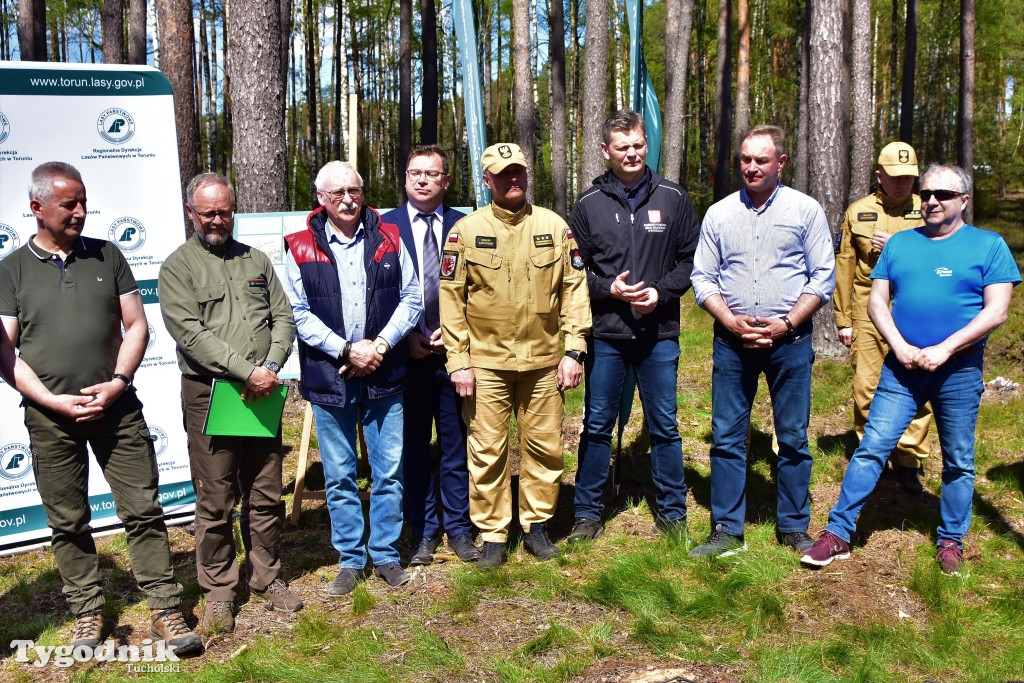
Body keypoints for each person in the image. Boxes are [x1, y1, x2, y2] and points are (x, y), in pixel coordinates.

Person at [0, 162, 201, 654]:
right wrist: (49, 399)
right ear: (36, 208)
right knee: (68, 521)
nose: (81, 212)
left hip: (117, 408)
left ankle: (164, 609)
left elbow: (137, 326)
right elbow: (5, 351)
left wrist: (116, 383)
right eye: (69, 204)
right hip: (50, 418)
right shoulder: (10, 269)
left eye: (84, 202)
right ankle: (88, 614)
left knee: (144, 511)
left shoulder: (108, 255)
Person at [802, 164, 1019, 574]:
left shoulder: (989, 246)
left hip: (958, 371)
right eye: (927, 193)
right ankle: (838, 532)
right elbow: (877, 302)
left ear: (964, 202)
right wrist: (900, 347)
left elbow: (997, 311)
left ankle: (951, 540)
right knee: (871, 448)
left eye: (944, 194)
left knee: (958, 459)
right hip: (900, 369)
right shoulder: (901, 244)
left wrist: (945, 349)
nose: (932, 200)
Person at [159, 173, 301, 633]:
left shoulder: (256, 260)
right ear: (191, 214)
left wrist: (272, 366)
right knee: (216, 497)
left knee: (264, 492)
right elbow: (191, 335)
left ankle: (267, 577)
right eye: (208, 213)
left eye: (224, 210)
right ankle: (220, 590)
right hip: (212, 393)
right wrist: (247, 370)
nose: (218, 220)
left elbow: (282, 316)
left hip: (263, 390)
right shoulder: (177, 267)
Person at [439, 143, 591, 569]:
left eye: (519, 171)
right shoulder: (465, 232)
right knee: (487, 449)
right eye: (503, 174)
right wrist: (459, 361)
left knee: (545, 447)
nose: (513, 179)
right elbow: (451, 299)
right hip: (486, 363)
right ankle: (492, 533)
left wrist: (574, 350)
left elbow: (574, 291)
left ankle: (537, 525)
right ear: (486, 180)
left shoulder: (554, 227)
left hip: (543, 361)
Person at [690, 125, 836, 558]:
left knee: (792, 437)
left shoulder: (805, 211)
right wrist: (731, 321)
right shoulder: (718, 213)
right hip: (732, 343)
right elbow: (703, 277)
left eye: (761, 160)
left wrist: (787, 323)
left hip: (788, 341)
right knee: (727, 436)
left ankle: (793, 526)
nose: (751, 168)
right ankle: (726, 529)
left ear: (781, 163)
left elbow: (822, 276)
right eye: (745, 160)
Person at [283, 161, 422, 595]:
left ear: (364, 192)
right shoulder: (299, 245)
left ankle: (385, 554)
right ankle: (350, 558)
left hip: (385, 372)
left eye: (354, 190)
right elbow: (297, 312)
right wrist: (346, 349)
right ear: (321, 199)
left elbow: (412, 297)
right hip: (332, 375)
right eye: (337, 192)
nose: (347, 199)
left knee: (389, 470)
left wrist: (378, 347)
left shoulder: (390, 237)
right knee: (340, 475)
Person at [567, 109, 699, 542]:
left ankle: (672, 512)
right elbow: (573, 273)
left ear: (648, 145)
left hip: (658, 333)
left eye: (638, 145)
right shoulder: (587, 205)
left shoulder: (673, 198)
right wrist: (609, 290)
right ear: (606, 151)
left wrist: (660, 293)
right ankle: (587, 511)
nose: (632, 153)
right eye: (622, 147)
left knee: (664, 423)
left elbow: (691, 261)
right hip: (607, 334)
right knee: (598, 422)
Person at [382, 146, 481, 565]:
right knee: (414, 447)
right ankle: (423, 529)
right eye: (415, 172)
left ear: (445, 180)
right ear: (405, 178)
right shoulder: (383, 226)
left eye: (432, 174)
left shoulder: (470, 224)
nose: (422, 180)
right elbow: (373, 295)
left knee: (457, 443)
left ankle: (458, 527)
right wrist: (404, 338)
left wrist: (462, 335)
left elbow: (483, 292)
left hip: (456, 355)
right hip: (404, 355)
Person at [835, 142, 932, 495]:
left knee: (918, 384)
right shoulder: (858, 211)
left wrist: (900, 246)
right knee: (867, 386)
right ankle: (873, 455)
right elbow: (844, 265)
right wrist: (843, 318)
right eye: (895, 177)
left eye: (909, 177)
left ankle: (908, 461)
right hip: (867, 308)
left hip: (914, 307)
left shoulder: (928, 209)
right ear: (879, 176)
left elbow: (944, 257)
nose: (902, 184)